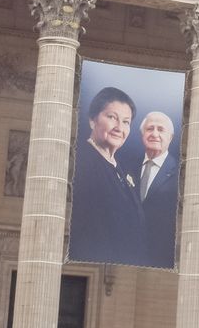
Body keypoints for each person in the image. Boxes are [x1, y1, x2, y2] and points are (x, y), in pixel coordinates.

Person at [70, 87, 147, 266]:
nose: (119, 128)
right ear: (92, 120)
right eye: (112, 117)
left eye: (126, 122)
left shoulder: (121, 169)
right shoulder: (81, 161)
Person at [130, 109, 181, 266]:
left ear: (170, 137)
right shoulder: (127, 166)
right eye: (150, 128)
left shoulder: (180, 172)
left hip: (161, 252)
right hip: (124, 248)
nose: (154, 134)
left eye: (160, 129)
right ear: (142, 134)